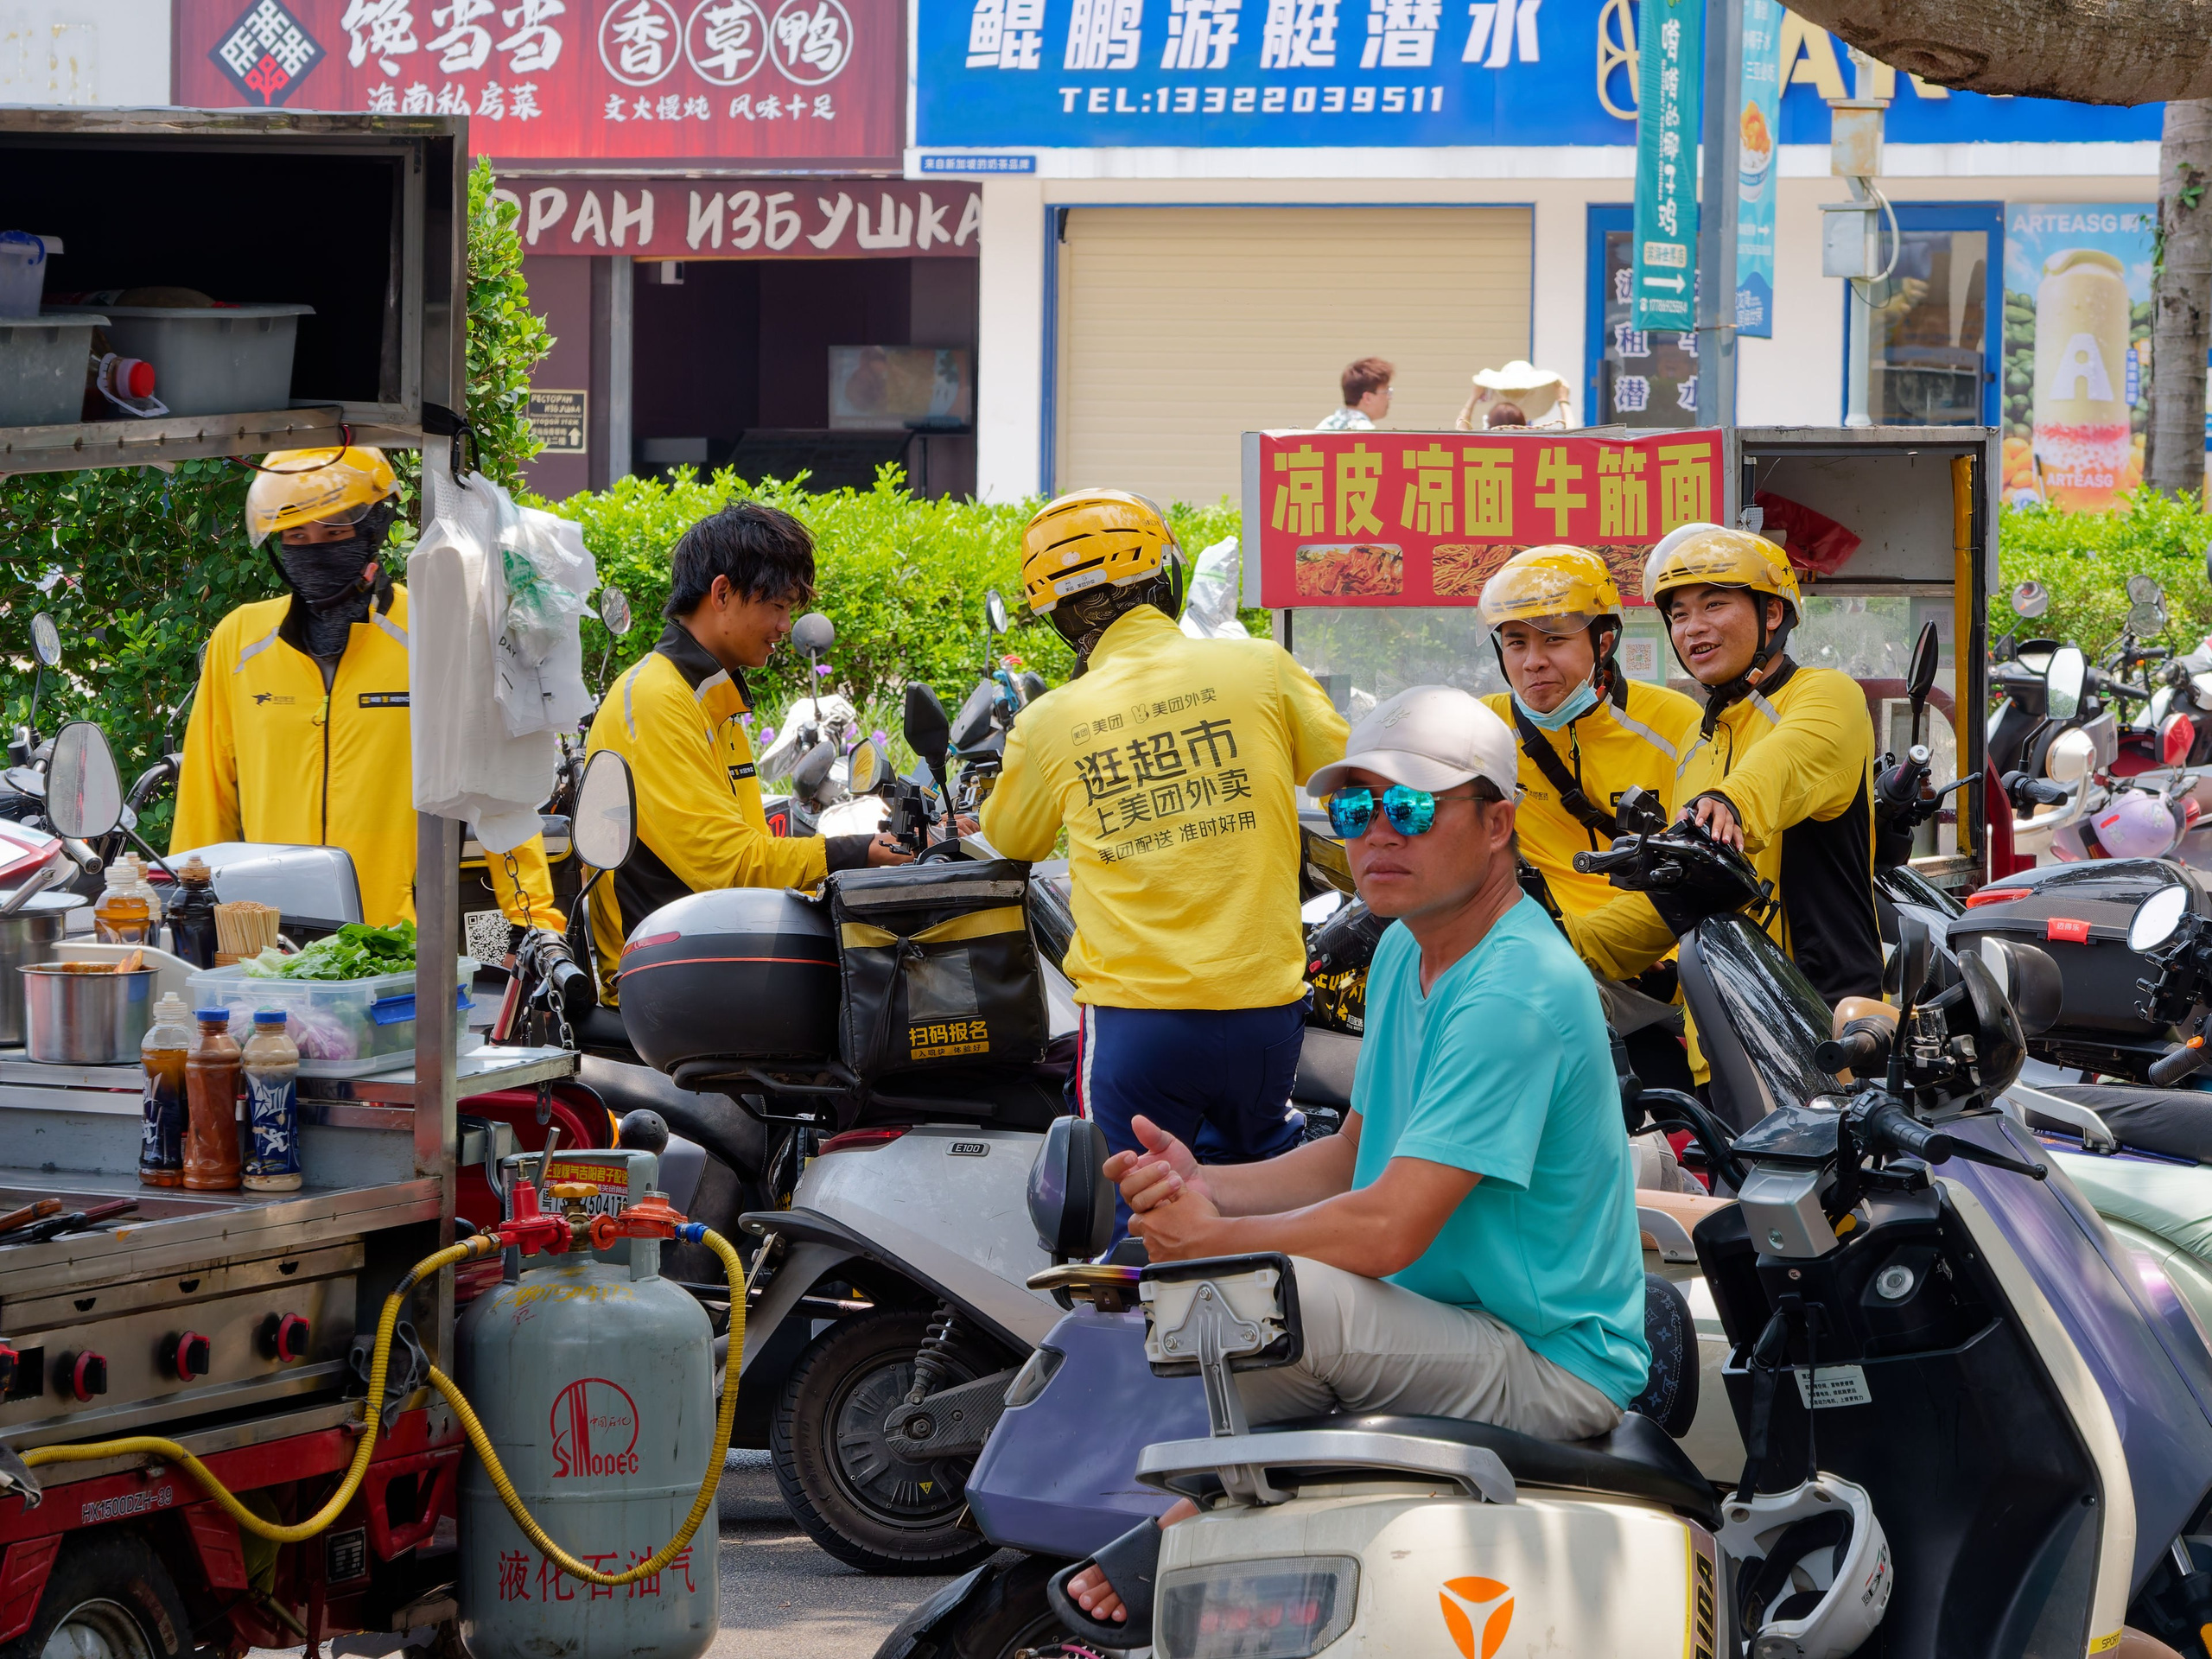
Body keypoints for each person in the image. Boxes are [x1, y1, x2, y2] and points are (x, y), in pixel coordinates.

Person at [1062, 686, 1648, 1628]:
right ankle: (1224, 1508)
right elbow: (1350, 1160)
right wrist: (1196, 1181)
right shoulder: (1401, 953)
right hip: (1439, 1323)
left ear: (1496, 824)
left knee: (1264, 1286)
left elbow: (1386, 1225)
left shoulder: (1515, 986)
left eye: (1410, 808)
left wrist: (1221, 1232)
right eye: (1352, 810)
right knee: (1218, 1299)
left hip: (1544, 1362)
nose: (1377, 833)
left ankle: (1204, 1508)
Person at [982, 490, 1348, 1225]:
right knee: (1256, 1211)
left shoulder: (1050, 718)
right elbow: (1346, 770)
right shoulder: (1260, 667)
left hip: (1138, 1021)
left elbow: (1012, 840)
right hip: (1264, 1013)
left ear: (1058, 614)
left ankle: (1138, 1342)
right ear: (1164, 576)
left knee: (1136, 1220)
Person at [175, 445, 562, 934]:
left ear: (373, 531)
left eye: (335, 531)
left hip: (396, 948)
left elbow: (497, 790)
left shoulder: (432, 632)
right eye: (296, 534)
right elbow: (206, 801)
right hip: (266, 948)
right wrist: (189, 913)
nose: (315, 547)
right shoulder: (241, 641)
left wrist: (536, 925)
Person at [583, 500, 909, 994]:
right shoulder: (656, 700)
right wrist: (857, 850)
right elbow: (729, 868)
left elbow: (745, 853)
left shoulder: (715, 695)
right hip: (667, 976)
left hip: (717, 946)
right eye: (776, 607)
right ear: (722, 593)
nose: (785, 626)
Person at [1563, 524, 1882, 1022]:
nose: (1692, 628)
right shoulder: (1697, 746)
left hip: (1825, 1028)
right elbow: (1675, 898)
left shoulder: (1825, 695)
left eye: (1713, 605)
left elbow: (1788, 758)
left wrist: (1730, 802)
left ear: (1771, 613)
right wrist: (1555, 937)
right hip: (1721, 1042)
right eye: (1678, 615)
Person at [1457, 360, 1573, 430]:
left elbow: (1461, 429)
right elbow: (1571, 434)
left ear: (1490, 422)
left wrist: (1473, 397)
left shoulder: (1481, 443)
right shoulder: (1534, 443)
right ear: (1522, 422)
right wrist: (1563, 401)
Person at [1315, 357, 1394, 429]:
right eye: (1386, 392)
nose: (1389, 397)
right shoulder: (1366, 431)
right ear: (1367, 398)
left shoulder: (1326, 424)